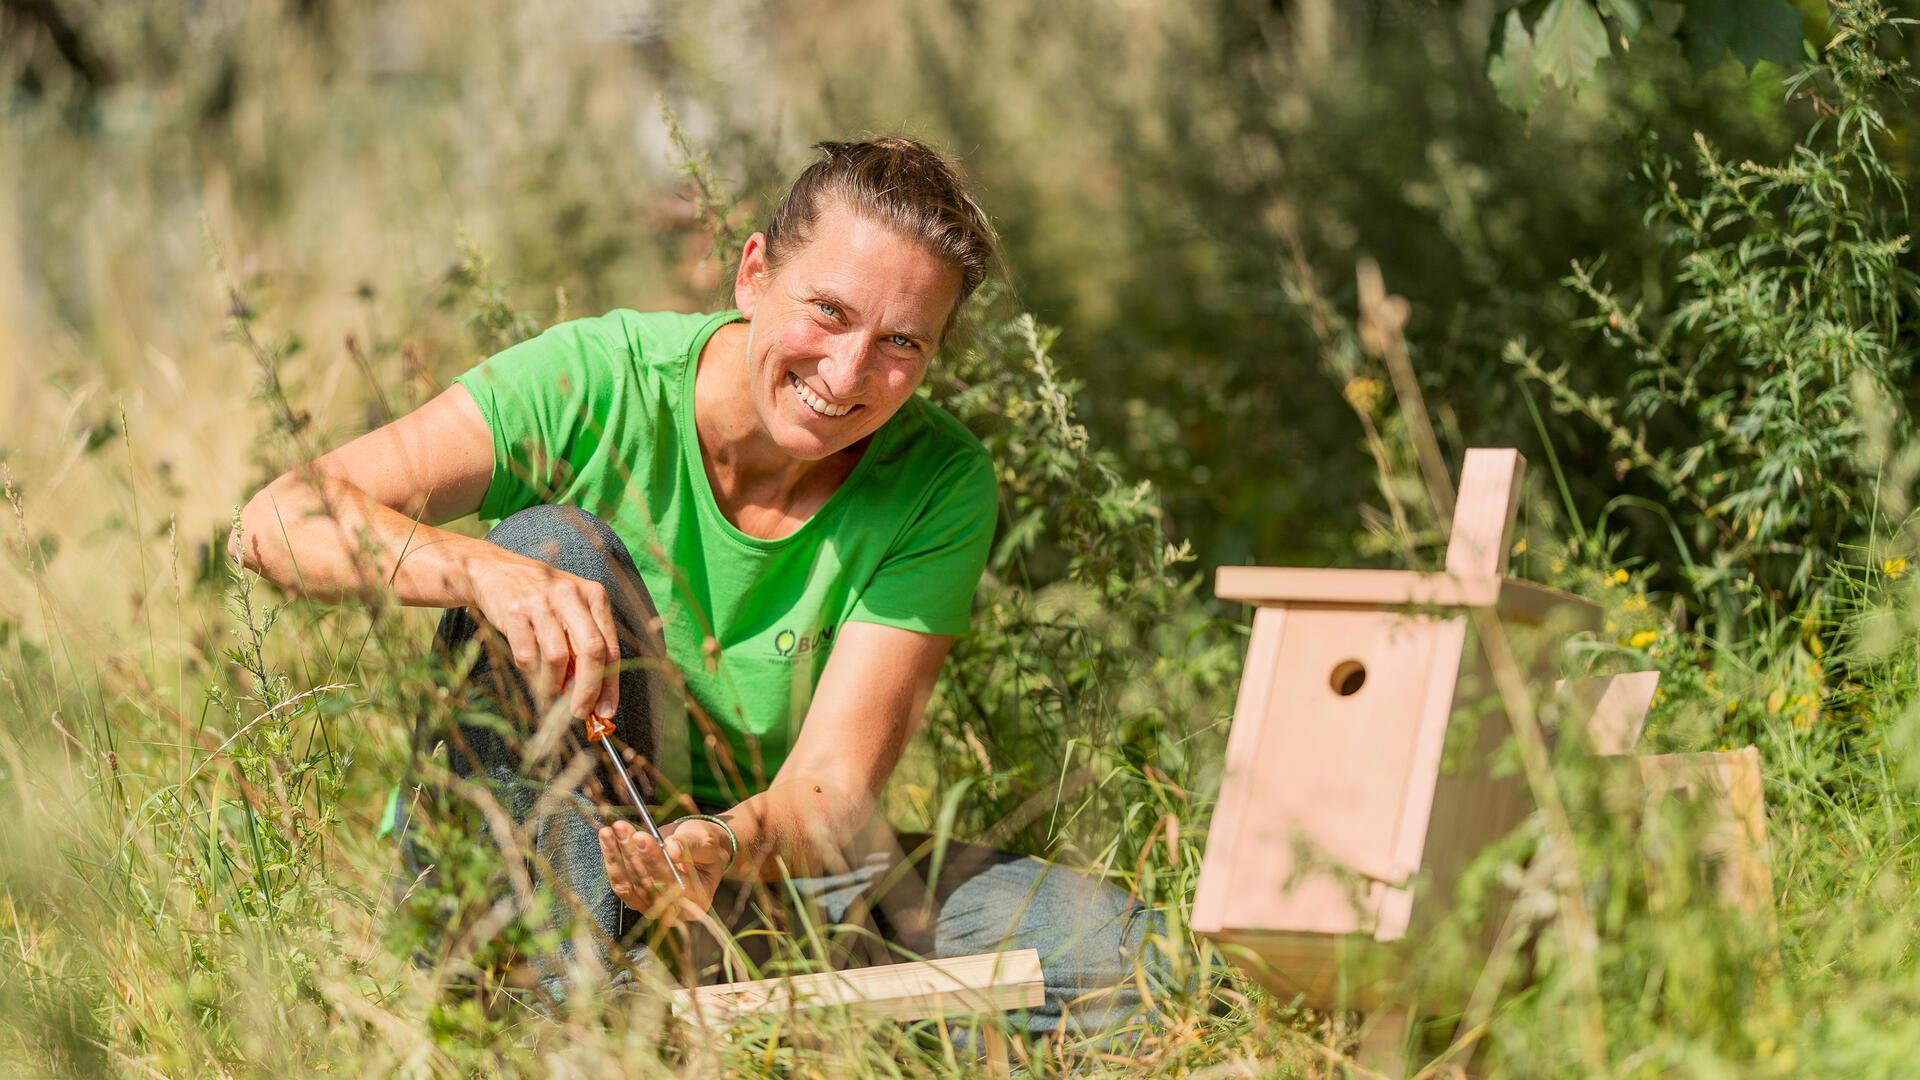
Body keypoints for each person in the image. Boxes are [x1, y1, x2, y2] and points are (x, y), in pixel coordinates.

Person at [231, 136, 1162, 1043]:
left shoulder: (939, 482)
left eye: (901, 343)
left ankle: (671, 1016)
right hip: (516, 874)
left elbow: (831, 794)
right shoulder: (600, 378)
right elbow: (275, 523)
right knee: (555, 543)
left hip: (734, 876)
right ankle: (531, 1010)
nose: (846, 376)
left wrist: (712, 846)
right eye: (829, 312)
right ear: (753, 272)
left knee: (1130, 962)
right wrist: (483, 569)